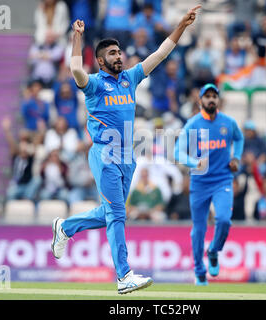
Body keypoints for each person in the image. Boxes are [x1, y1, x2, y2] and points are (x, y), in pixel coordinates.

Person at [50, 5, 202, 294]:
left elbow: (161, 54)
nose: (118, 56)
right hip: (104, 155)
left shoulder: (130, 79)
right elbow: (74, 69)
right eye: (112, 54)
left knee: (111, 211)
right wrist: (77, 37)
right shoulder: (93, 84)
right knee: (118, 214)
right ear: (101, 61)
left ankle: (65, 228)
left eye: (119, 52)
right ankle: (123, 276)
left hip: (127, 157)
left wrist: (182, 25)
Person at [174, 83, 244, 286]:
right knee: (198, 229)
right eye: (207, 96)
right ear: (200, 101)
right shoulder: (193, 124)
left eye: (214, 96)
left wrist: (237, 157)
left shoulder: (228, 123)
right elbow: (178, 152)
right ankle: (199, 271)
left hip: (222, 179)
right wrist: (194, 163)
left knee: (223, 220)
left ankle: (213, 250)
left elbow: (239, 139)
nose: (211, 99)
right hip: (199, 182)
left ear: (218, 100)